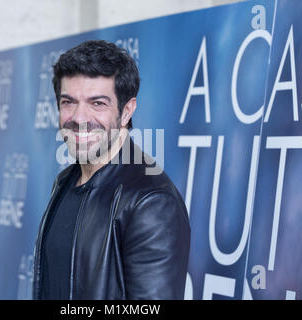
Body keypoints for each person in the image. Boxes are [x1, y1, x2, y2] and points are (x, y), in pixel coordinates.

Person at [32, 40, 190, 300]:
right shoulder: (64, 182)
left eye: (97, 104)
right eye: (68, 102)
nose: (79, 118)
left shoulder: (151, 201)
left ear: (127, 111)